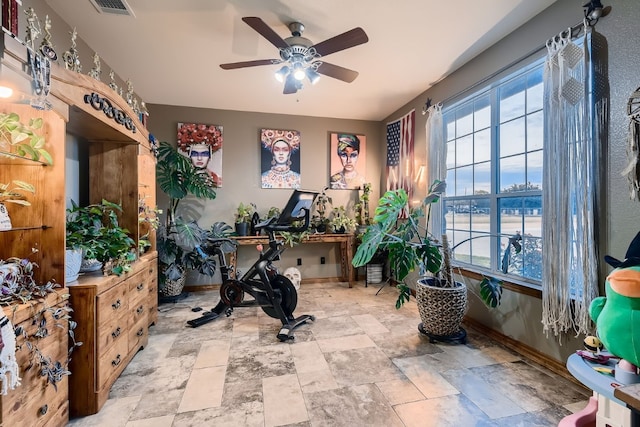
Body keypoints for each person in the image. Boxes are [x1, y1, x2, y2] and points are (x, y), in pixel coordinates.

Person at [177, 122, 223, 187]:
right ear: (189, 155)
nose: (199, 158)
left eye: (204, 154)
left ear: (210, 155)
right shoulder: (181, 179)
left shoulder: (217, 179)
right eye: (195, 154)